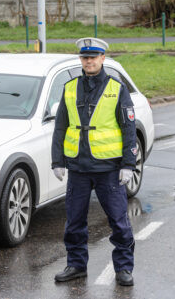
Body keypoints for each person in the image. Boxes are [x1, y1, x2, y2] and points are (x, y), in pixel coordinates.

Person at [51, 37, 137, 286]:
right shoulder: (69, 87)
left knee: (118, 221)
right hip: (78, 166)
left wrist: (128, 164)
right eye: (85, 57)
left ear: (102, 59)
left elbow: (128, 127)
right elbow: (60, 128)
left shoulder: (116, 88)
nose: (89, 61)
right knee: (74, 221)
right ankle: (76, 265)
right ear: (81, 60)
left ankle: (123, 268)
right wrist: (57, 161)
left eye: (93, 57)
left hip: (108, 168)